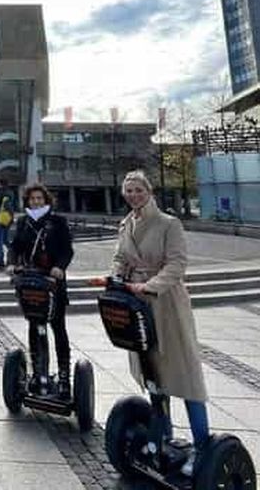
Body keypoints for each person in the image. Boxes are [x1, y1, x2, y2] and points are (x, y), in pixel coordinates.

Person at [107, 169, 209, 476]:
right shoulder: (127, 223)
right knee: (154, 376)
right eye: (129, 190)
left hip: (166, 305)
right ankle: (162, 437)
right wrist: (114, 276)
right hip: (137, 305)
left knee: (184, 375)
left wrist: (150, 284)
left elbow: (177, 264)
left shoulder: (168, 223)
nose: (133, 195)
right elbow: (120, 258)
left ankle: (203, 446)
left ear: (149, 191)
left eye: (139, 190)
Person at [6, 182, 74, 398]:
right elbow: (15, 246)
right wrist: (12, 263)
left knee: (58, 328)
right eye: (32, 199)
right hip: (31, 282)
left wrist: (59, 267)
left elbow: (67, 250)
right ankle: (37, 373)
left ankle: (64, 377)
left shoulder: (57, 222)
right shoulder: (24, 222)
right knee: (34, 325)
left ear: (46, 200)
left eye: (39, 199)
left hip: (53, 283)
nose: (36, 202)